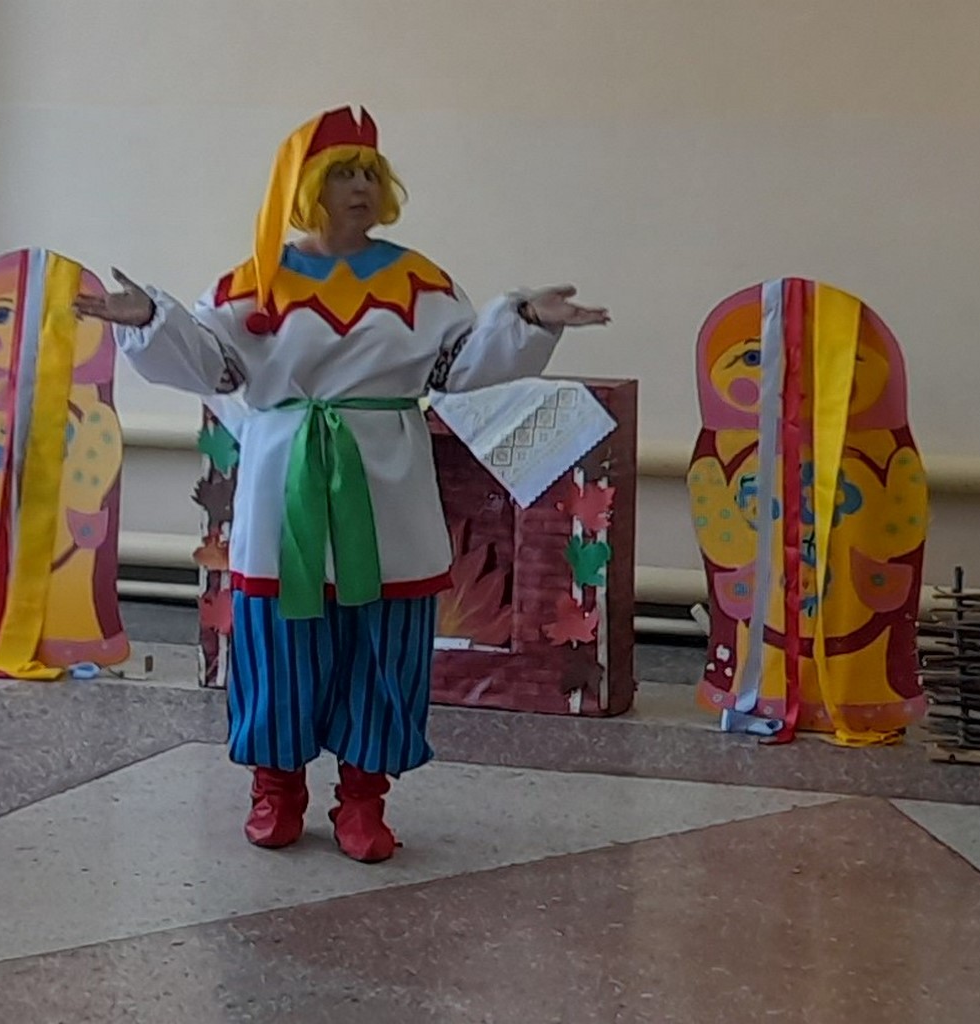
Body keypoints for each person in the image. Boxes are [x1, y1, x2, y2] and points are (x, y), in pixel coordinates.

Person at [77, 106, 607, 863]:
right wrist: (149, 319)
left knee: (384, 642)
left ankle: (364, 797)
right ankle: (276, 786)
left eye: (368, 174)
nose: (360, 188)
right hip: (284, 477)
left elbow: (457, 365)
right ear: (304, 188)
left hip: (385, 480)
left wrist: (523, 317)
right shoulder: (251, 282)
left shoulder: (420, 281)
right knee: (278, 640)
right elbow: (211, 365)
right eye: (341, 176)